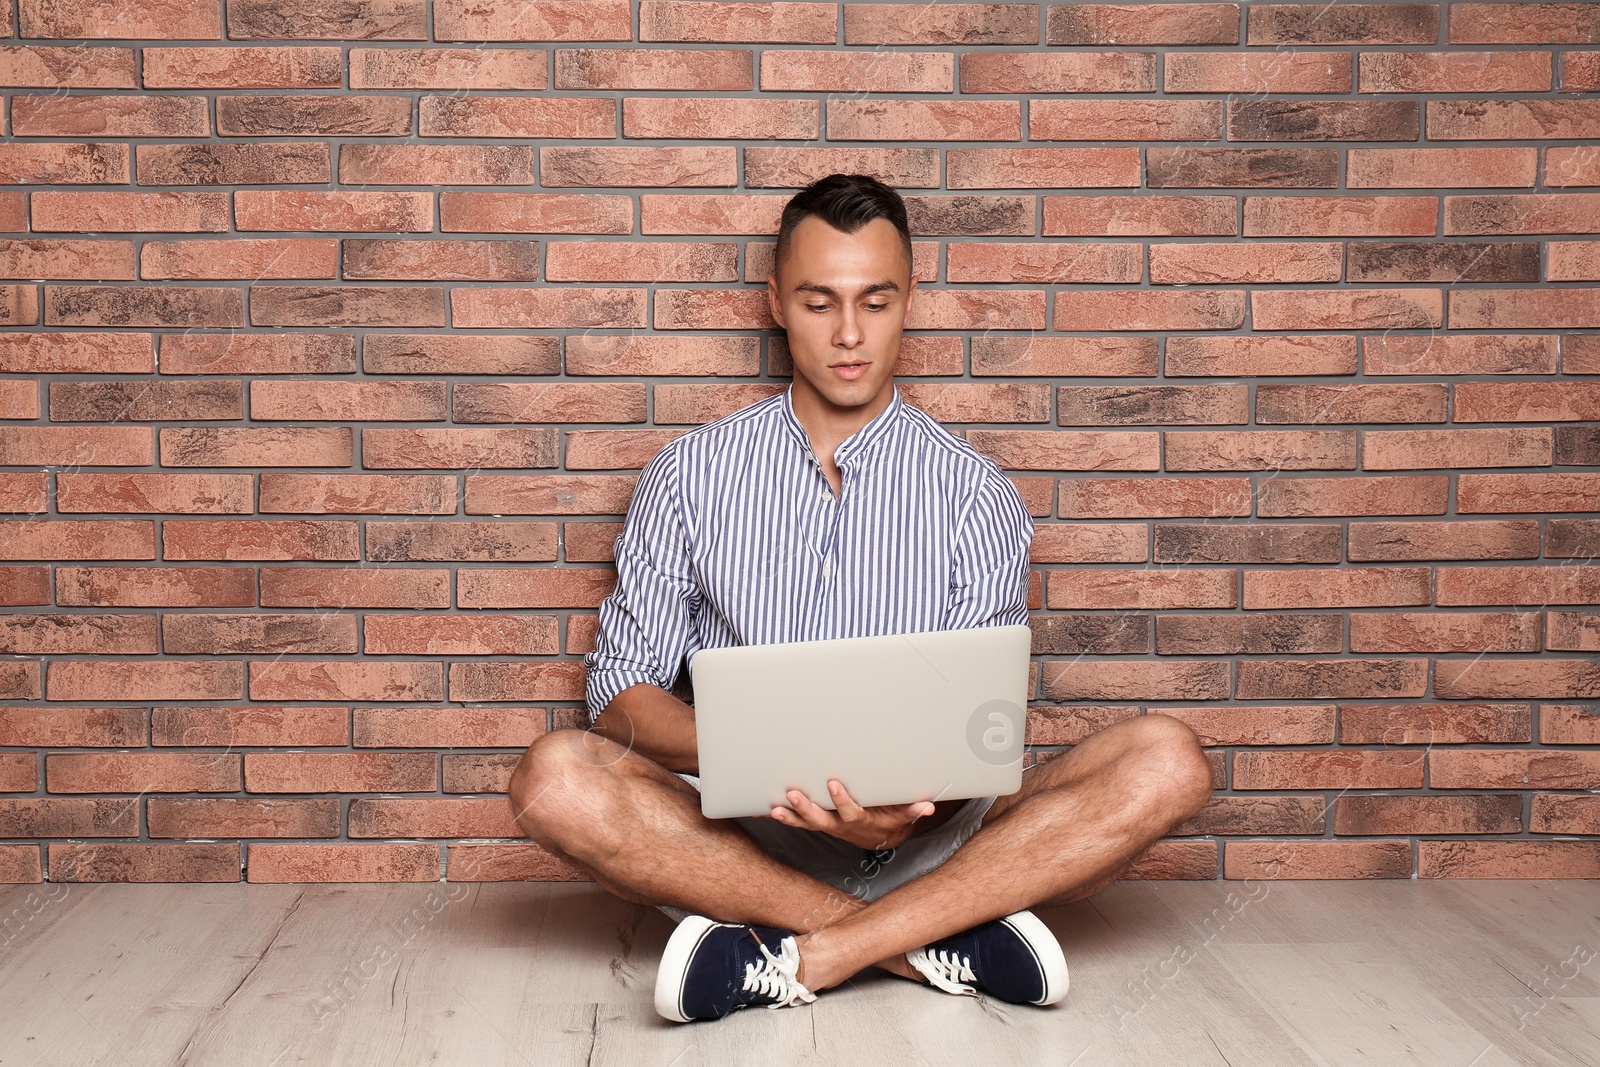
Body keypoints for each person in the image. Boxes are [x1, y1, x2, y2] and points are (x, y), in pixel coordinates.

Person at [507, 174, 1214, 1023]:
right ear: (775, 302)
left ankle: (803, 951)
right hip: (741, 841)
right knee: (553, 779)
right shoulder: (688, 477)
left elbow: (985, 729)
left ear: (910, 297)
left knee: (1168, 759)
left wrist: (903, 814)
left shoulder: (974, 493)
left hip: (937, 840)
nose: (849, 334)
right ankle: (931, 944)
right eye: (819, 302)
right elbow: (616, 700)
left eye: (875, 301)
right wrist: (773, 759)